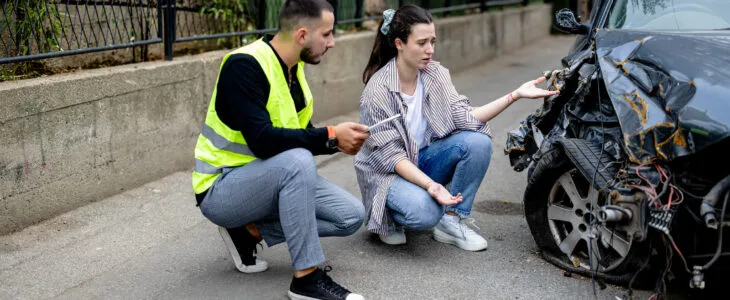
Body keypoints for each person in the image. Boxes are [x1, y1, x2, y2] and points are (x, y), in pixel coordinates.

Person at [191, 1, 368, 299]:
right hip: (222, 189)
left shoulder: (293, 70)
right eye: (326, 34)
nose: (332, 42)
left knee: (350, 215)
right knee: (297, 161)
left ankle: (248, 232)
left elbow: (297, 136)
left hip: (269, 179)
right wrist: (331, 136)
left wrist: (339, 141)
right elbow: (263, 140)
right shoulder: (244, 65)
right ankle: (306, 279)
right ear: (302, 35)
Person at [355, 5, 558, 251]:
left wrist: (515, 95)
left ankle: (450, 221)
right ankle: (389, 217)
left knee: (477, 142)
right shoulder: (377, 91)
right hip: (390, 174)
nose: (429, 50)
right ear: (399, 43)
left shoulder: (435, 74)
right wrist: (431, 186)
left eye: (432, 41)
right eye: (421, 43)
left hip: (421, 160)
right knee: (425, 213)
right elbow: (392, 158)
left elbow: (464, 117)